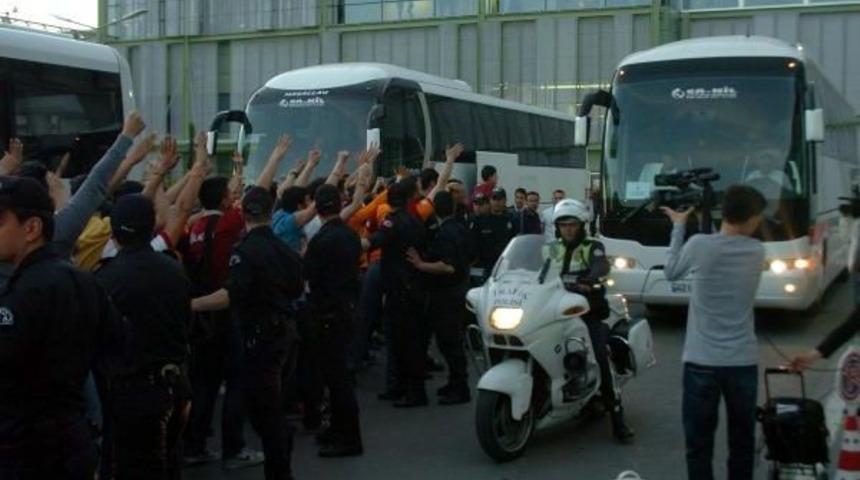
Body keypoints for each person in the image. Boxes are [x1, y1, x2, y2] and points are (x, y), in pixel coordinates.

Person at [0, 176, 122, 479]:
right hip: (73, 436)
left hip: (26, 448)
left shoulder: (23, 293)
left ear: (31, 228)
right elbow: (118, 344)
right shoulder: (83, 280)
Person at [192, 186, 304, 480]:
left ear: (243, 213)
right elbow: (296, 288)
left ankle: (279, 468)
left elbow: (230, 294)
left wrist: (192, 304)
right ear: (270, 211)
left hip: (259, 336)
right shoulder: (285, 249)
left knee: (264, 410)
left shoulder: (245, 251)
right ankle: (281, 456)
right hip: (285, 331)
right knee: (274, 403)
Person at [662, 185, 767, 480]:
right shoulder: (757, 251)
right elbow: (724, 246)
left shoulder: (699, 245)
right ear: (751, 218)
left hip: (701, 361)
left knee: (699, 445)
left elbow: (671, 272)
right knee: (742, 443)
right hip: (742, 361)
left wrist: (679, 226)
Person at [95, 194, 191, 479]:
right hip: (175, 383)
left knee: (132, 465)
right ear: (152, 228)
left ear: (113, 233)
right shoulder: (174, 268)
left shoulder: (105, 278)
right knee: (170, 459)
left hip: (130, 390)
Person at [182, 172, 260, 467]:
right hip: (225, 308)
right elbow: (259, 195)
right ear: (225, 199)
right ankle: (233, 449)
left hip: (202, 315)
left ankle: (195, 445)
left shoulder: (195, 226)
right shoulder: (228, 224)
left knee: (205, 382)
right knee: (237, 380)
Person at [543, 198, 635, 444]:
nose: (568, 229)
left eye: (572, 224)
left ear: (581, 225)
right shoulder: (550, 248)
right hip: (555, 311)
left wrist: (591, 280)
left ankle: (617, 417)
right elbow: (536, 271)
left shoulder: (592, 246)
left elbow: (600, 266)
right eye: (563, 225)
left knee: (599, 358)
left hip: (588, 312)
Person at [304, 184, 364, 457]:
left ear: (317, 209)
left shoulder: (320, 240)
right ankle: (338, 428)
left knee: (337, 380)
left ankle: (349, 438)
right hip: (346, 309)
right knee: (337, 376)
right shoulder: (350, 235)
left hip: (327, 312)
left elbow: (308, 274)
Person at [407, 190, 474, 405]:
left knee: (449, 342)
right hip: (459, 289)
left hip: (447, 294)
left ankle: (460, 387)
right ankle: (455, 382)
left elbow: (447, 266)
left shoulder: (445, 233)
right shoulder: (461, 228)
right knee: (451, 342)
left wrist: (420, 265)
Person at [366, 180, 427, 407]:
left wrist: (356, 243)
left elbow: (377, 240)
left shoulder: (394, 220)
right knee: (404, 341)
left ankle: (412, 391)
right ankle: (401, 387)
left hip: (399, 288)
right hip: (411, 285)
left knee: (403, 341)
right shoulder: (415, 219)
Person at [470, 187, 515, 281]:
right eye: (494, 199)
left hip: (504, 266)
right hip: (485, 266)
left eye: (499, 199)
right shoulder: (480, 220)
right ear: (490, 200)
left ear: (505, 200)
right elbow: (473, 244)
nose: (497, 202)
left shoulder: (511, 219)